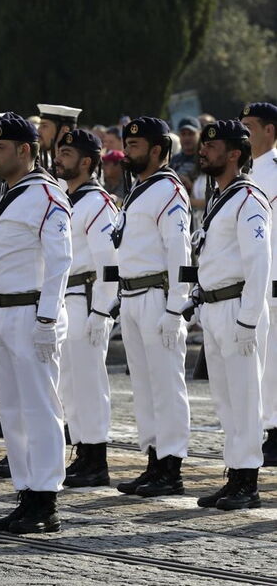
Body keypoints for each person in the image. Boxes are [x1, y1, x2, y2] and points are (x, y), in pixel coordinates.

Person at [0, 116, 71, 534]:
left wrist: (48, 318)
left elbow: (60, 260)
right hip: (5, 311)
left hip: (34, 312)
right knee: (12, 411)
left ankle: (45, 498)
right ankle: (25, 492)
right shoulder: (2, 194)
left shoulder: (47, 194)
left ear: (26, 150)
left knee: (40, 407)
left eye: (0, 147)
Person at [190, 120, 270, 510]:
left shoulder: (248, 198)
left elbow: (259, 263)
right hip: (214, 306)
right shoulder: (221, 197)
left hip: (238, 307)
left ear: (234, 154)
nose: (204, 151)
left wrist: (249, 320)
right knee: (224, 399)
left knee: (245, 396)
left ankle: (247, 480)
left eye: (213, 146)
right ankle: (234, 472)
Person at [112, 117, 191, 498]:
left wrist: (176, 307)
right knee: (144, 386)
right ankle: (154, 459)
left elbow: (179, 251)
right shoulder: (140, 189)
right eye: (127, 144)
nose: (128, 151)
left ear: (157, 150)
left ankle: (171, 466)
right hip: (132, 297)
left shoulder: (168, 190)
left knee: (166, 385)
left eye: (136, 146)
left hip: (157, 297)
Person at [53, 129, 119, 487]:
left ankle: (96, 458)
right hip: (68, 298)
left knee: (88, 382)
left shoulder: (97, 203)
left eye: (67, 154)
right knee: (70, 382)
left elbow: (109, 262)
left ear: (88, 162)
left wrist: (102, 310)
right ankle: (82, 450)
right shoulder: (67, 199)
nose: (59, 159)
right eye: (59, 152)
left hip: (87, 297)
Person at [240, 103, 277, 464]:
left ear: (270, 130)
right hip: (254, 278)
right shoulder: (245, 172)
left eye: (251, 126)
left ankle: (275, 430)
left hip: (274, 276)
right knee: (261, 360)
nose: (245, 131)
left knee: (273, 359)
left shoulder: (274, 171)